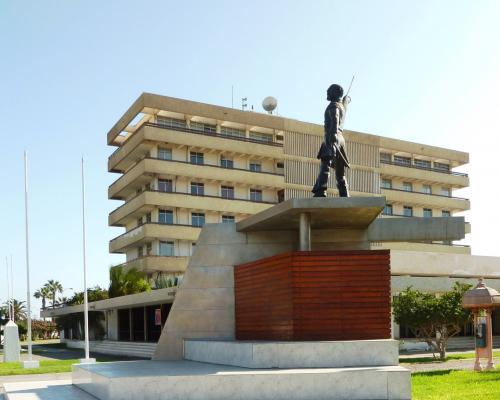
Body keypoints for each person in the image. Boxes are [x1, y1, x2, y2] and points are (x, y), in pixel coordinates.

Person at [311, 84, 350, 197]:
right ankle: (344, 194)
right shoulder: (342, 106)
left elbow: (335, 117)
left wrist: (332, 134)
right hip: (341, 138)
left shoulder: (333, 106)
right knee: (339, 171)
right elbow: (345, 106)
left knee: (325, 166)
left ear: (335, 93)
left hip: (332, 136)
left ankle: (321, 190)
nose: (327, 93)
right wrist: (346, 100)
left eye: (329, 91)